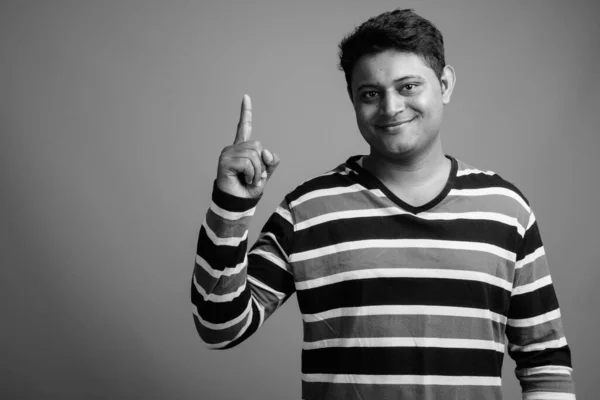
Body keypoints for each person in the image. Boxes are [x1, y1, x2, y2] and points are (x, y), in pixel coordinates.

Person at [191, 8, 576, 400]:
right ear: (354, 101)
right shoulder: (308, 209)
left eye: (408, 86)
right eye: (371, 94)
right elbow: (219, 326)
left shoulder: (505, 209)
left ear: (444, 84)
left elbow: (545, 364)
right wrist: (230, 208)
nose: (391, 108)